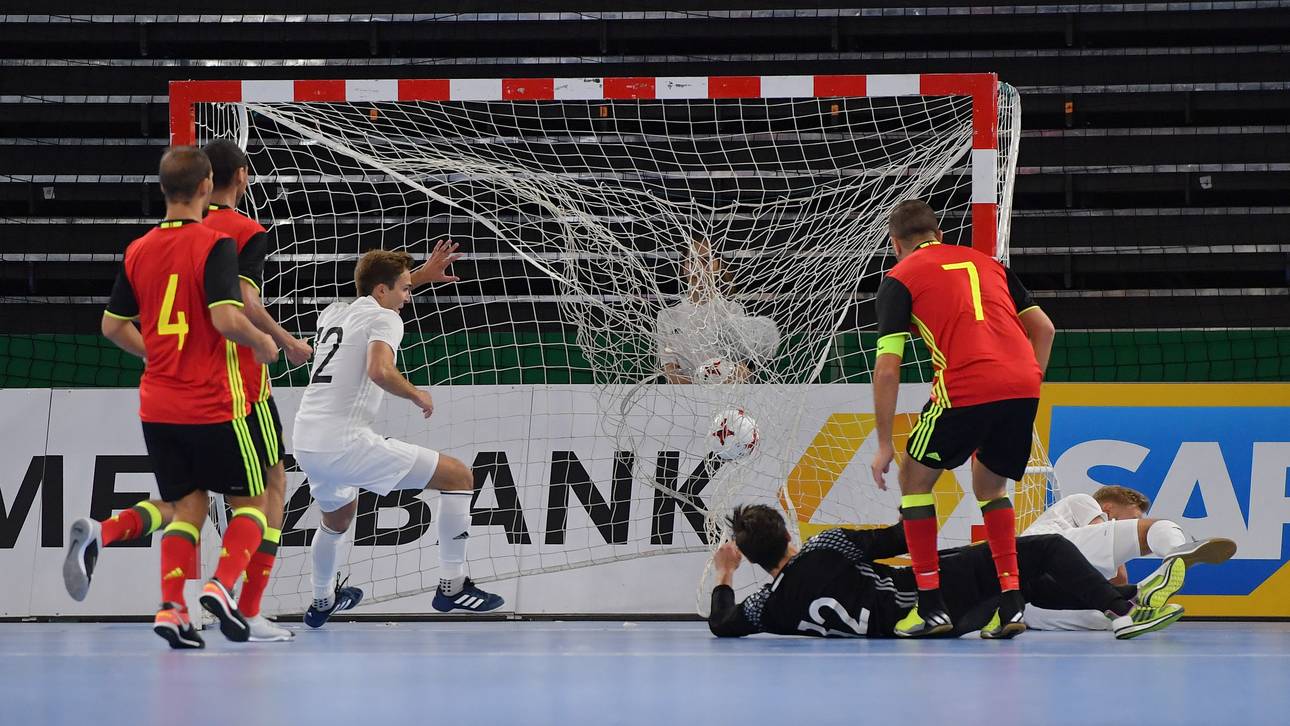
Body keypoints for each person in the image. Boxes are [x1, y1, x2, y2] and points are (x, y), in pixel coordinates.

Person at [62, 146, 280, 649]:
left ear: (163, 189)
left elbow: (113, 326)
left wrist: (154, 354)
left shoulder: (137, 249)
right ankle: (222, 587)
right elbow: (227, 319)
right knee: (254, 500)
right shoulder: (215, 243)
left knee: (188, 505)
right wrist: (264, 342)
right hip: (210, 402)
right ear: (206, 186)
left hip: (157, 404)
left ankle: (172, 609)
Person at [868, 199, 1056, 638]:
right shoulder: (988, 263)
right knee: (990, 487)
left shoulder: (900, 278)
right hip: (1024, 384)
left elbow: (887, 369)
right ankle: (1011, 604)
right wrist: (1026, 381)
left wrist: (883, 444)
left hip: (966, 386)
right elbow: (1044, 329)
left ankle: (930, 606)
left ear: (896, 244)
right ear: (937, 233)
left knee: (914, 480)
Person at [292, 246, 504, 627]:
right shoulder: (387, 319)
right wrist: (416, 394)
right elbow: (379, 370)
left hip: (308, 440)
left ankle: (322, 599)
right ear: (382, 291)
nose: (408, 297)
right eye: (405, 289)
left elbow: (376, 295)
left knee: (337, 518)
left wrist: (420, 275)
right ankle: (452, 585)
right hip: (345, 441)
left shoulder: (334, 312)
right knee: (458, 476)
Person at [707, 505, 1184, 640]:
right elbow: (901, 538)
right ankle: (1124, 607)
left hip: (931, 632)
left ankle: (1132, 600)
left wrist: (724, 574)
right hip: (929, 602)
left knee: (1028, 586)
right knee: (1046, 549)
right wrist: (917, 498)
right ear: (788, 534)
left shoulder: (769, 607)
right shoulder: (824, 546)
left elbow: (722, 624)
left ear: (751, 560)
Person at [200, 138, 314, 642]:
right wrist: (286, 341)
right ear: (242, 175)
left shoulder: (179, 232)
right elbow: (245, 300)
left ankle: (187, 604)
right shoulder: (246, 231)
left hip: (186, 382)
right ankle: (238, 601)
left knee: (194, 501)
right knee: (271, 489)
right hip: (242, 382)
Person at [1023, 486, 1236, 631]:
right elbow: (1120, 578)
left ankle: (1141, 600)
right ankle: (1176, 552)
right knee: (1157, 527)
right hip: (1046, 550)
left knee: (1114, 618)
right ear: (1108, 509)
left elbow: (1110, 586)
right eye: (1134, 517)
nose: (1135, 522)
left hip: (1031, 607)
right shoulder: (1082, 501)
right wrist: (1135, 539)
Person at [656, 238, 779, 383]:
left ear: (717, 265)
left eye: (705, 260)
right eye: (692, 261)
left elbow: (740, 366)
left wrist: (723, 382)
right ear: (684, 267)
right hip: (685, 398)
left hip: (723, 395)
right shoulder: (667, 316)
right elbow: (670, 369)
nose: (699, 268)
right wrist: (698, 390)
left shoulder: (733, 310)